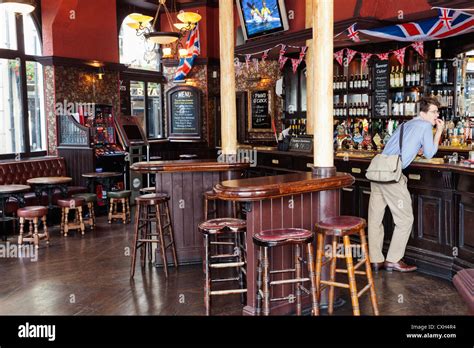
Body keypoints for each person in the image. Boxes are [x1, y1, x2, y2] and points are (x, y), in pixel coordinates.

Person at [368, 96, 445, 272]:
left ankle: (375, 259)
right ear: (423, 112)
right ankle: (393, 259)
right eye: (434, 112)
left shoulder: (404, 124)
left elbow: (393, 147)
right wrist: (439, 131)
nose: (437, 115)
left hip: (378, 171)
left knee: (375, 219)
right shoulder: (426, 126)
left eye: (437, 112)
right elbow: (430, 154)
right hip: (392, 176)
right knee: (405, 219)